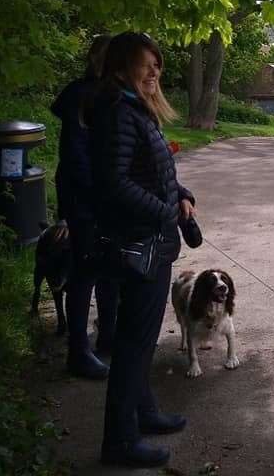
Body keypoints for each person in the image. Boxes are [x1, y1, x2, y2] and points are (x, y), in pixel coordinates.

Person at [89, 32, 196, 468]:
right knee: (134, 343)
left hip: (152, 240)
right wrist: (162, 211)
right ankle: (119, 441)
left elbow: (153, 170)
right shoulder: (118, 114)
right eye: (146, 64)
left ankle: (144, 412)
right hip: (141, 244)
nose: (155, 72)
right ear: (120, 67)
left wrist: (181, 193)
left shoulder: (136, 112)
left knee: (142, 338)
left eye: (158, 65)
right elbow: (114, 183)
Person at [50, 35, 118, 380]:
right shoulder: (81, 96)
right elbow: (75, 157)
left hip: (104, 199)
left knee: (110, 268)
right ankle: (78, 350)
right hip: (85, 200)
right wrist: (100, 193)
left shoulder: (108, 95)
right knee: (85, 270)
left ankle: (108, 334)